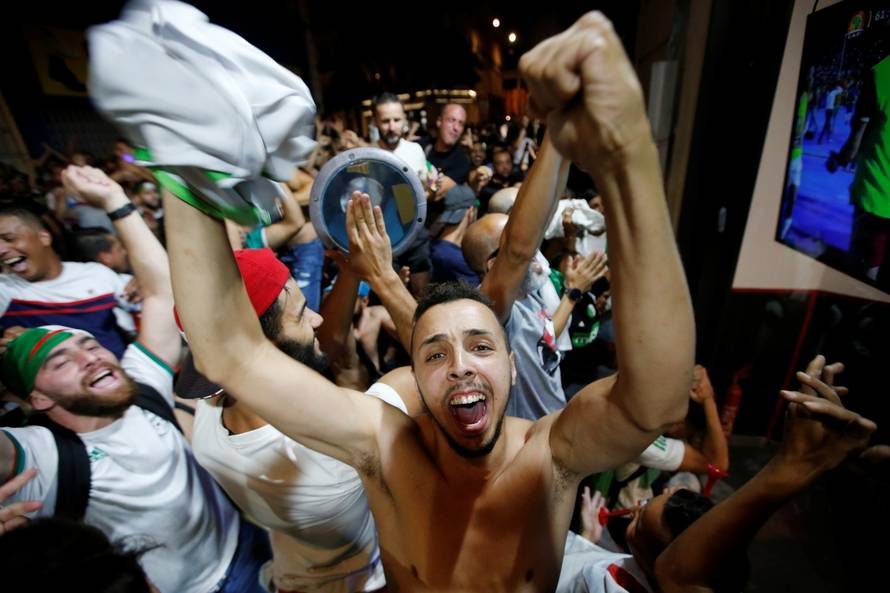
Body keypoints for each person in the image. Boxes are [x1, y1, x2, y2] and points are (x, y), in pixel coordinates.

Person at [167, 12, 694, 592]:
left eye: (480, 344)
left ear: (512, 365)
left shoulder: (553, 455)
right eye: (435, 354)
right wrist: (183, 161)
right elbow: (227, 353)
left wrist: (628, 153)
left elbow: (656, 401)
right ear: (413, 379)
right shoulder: (382, 447)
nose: (461, 364)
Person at [0, 167, 270, 593]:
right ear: (38, 398)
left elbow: (163, 293)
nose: (88, 358)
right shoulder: (40, 457)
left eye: (90, 345)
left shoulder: (140, 386)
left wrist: (115, 203)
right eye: (59, 362)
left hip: (254, 551)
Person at [560, 355, 880, 593]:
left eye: (641, 519)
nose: (639, 507)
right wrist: (591, 541)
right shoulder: (636, 563)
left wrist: (794, 466)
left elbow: (716, 466)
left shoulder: (642, 441)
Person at [181, 248, 388, 593]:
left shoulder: (208, 419)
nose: (317, 320)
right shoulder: (330, 453)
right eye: (302, 313)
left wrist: (350, 273)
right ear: (261, 347)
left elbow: (317, 344)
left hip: (292, 574)